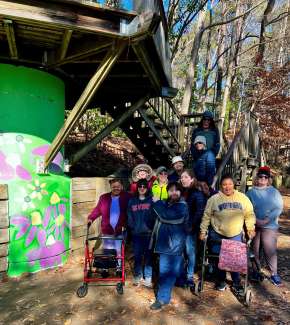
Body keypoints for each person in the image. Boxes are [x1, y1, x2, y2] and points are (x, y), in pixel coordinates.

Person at [199, 174, 256, 291]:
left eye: (230, 184)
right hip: (217, 233)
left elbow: (249, 214)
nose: (227, 187)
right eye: (224, 184)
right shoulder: (214, 199)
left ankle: (236, 282)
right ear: (221, 186)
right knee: (218, 258)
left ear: (233, 184)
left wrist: (250, 228)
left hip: (235, 233)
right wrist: (203, 231)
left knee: (234, 259)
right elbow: (206, 216)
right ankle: (221, 281)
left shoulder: (242, 198)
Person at [150, 182, 190, 310]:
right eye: (171, 190)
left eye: (176, 190)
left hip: (174, 244)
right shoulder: (167, 204)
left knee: (166, 271)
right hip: (164, 243)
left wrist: (157, 202)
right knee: (169, 270)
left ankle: (162, 299)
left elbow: (166, 215)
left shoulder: (182, 206)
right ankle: (182, 280)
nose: (173, 193)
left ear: (180, 192)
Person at [246, 166, 284, 286]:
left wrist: (267, 220)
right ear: (256, 178)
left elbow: (278, 207)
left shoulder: (274, 192)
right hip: (254, 224)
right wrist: (255, 220)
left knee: (269, 249)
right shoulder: (250, 192)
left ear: (268, 179)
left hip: (270, 225)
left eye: (265, 177)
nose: (262, 179)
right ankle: (256, 271)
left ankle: (274, 274)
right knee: (254, 249)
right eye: (260, 176)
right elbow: (247, 208)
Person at [87, 178, 130, 273]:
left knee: (118, 250)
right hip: (107, 229)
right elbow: (97, 210)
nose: (116, 188)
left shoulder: (127, 197)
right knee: (107, 250)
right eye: (114, 186)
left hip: (120, 229)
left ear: (121, 187)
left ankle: (118, 268)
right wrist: (91, 218)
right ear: (110, 187)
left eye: (118, 186)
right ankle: (106, 267)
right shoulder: (104, 197)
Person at [180, 169, 207, 288]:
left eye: (186, 177)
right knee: (180, 251)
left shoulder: (197, 192)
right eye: (182, 177)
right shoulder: (182, 191)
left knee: (190, 251)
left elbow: (200, 211)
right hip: (180, 227)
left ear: (192, 179)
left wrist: (191, 225)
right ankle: (181, 274)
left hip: (190, 228)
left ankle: (190, 276)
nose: (183, 179)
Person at [127, 179, 155, 287]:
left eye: (144, 186)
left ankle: (148, 277)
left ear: (147, 188)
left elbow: (155, 215)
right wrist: (133, 227)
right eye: (140, 186)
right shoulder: (132, 201)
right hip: (136, 234)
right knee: (138, 256)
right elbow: (129, 216)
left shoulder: (151, 200)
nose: (142, 188)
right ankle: (138, 275)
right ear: (137, 187)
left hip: (149, 234)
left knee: (148, 257)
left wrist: (151, 227)